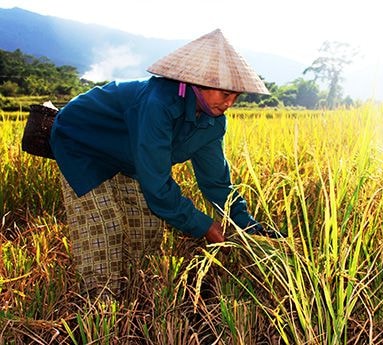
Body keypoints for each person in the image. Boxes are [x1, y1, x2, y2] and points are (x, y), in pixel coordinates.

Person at [50, 29, 277, 299]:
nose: (229, 103)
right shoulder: (158, 103)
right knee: (105, 227)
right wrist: (204, 225)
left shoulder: (213, 121)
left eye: (236, 97)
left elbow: (215, 181)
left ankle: (131, 296)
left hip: (128, 154)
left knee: (146, 227)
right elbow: (157, 185)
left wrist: (247, 225)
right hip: (84, 141)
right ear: (198, 83)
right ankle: (101, 305)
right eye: (225, 94)